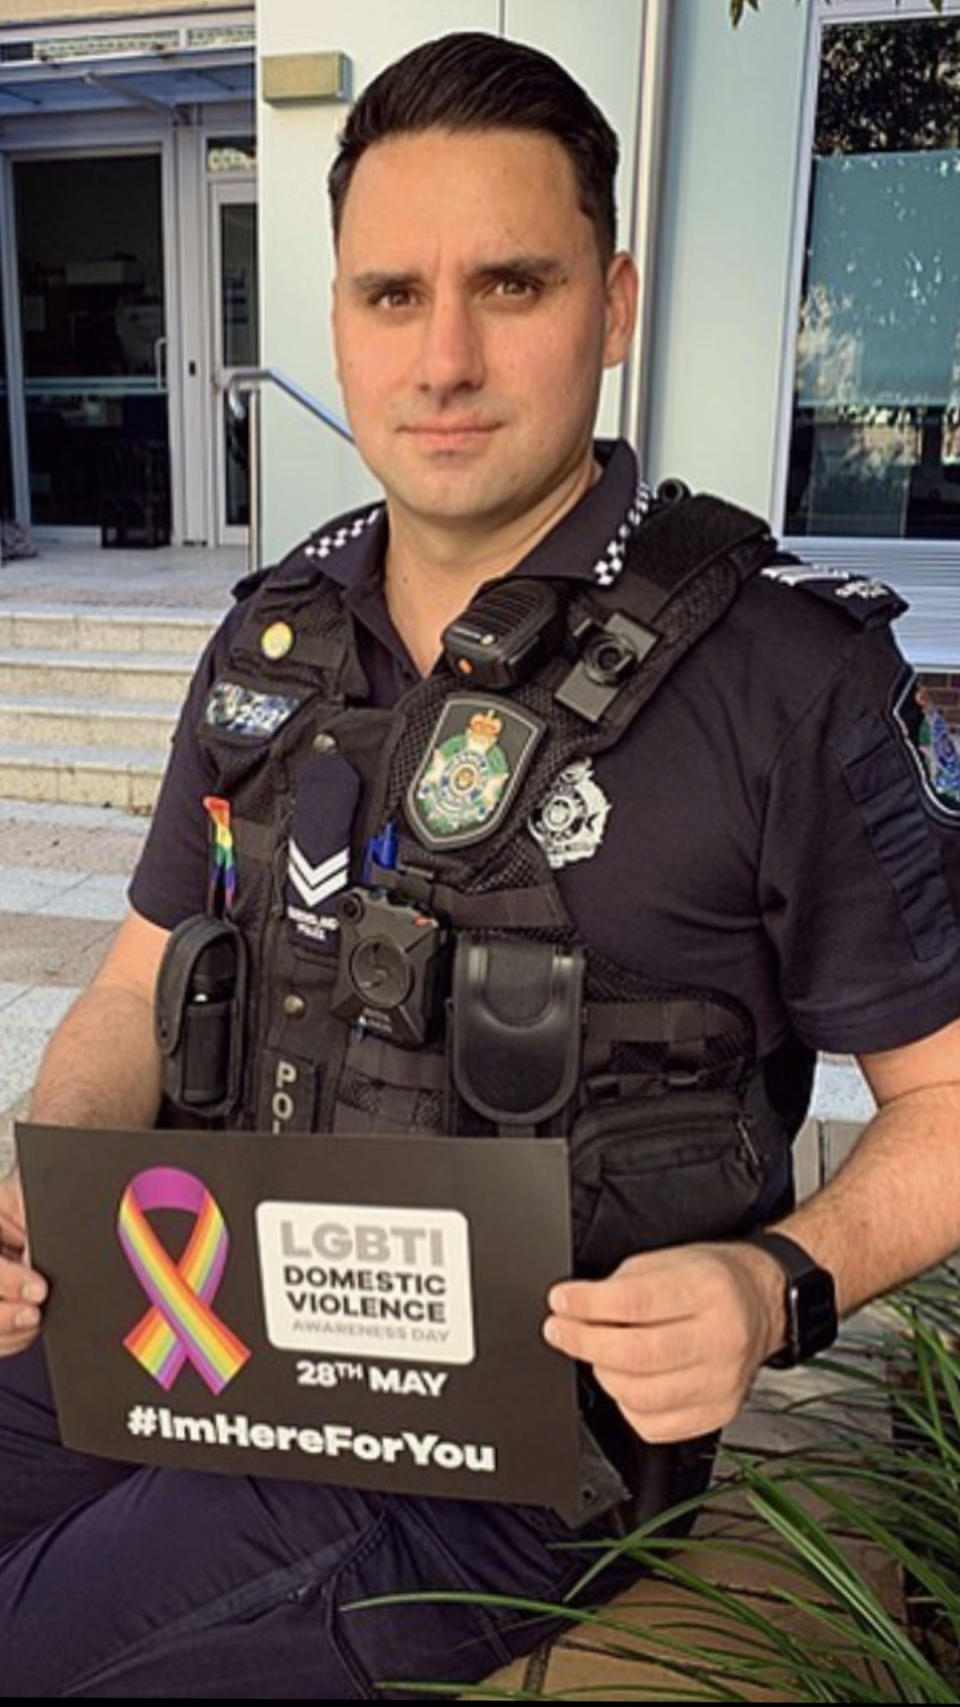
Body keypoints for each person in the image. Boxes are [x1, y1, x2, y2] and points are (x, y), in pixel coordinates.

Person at [2, 28, 960, 1699]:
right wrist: (36, 1194)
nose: (442, 358)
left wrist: (776, 1284)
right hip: (201, 1321)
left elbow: (950, 1096)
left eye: (510, 286)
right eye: (391, 296)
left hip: (508, 1451)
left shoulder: (789, 681)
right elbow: (143, 981)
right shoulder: (271, 642)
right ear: (337, 325)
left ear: (617, 302)